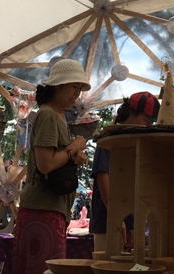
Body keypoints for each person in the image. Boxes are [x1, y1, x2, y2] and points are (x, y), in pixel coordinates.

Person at [12, 59, 90, 274]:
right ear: (58, 86)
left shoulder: (59, 116)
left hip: (51, 208)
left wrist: (74, 154)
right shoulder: (48, 115)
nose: (77, 93)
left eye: (80, 88)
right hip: (42, 209)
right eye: (74, 86)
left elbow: (56, 157)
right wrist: (74, 146)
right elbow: (45, 165)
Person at [89, 91, 160, 251]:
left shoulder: (136, 143)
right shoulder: (109, 139)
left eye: (152, 123)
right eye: (146, 121)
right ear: (131, 113)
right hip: (107, 222)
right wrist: (116, 218)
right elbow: (103, 178)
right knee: (106, 262)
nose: (149, 126)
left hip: (130, 222)